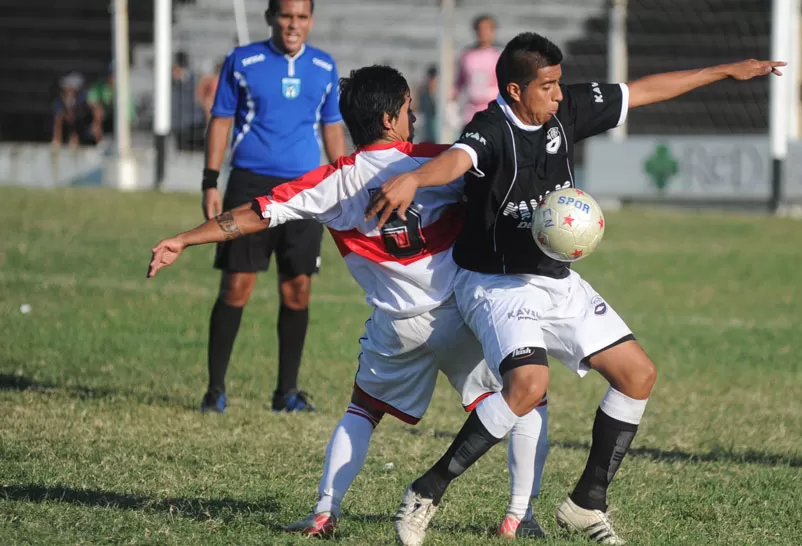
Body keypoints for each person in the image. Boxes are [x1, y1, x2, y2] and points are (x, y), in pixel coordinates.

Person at [366, 32, 784, 545]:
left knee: (638, 375)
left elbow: (645, 90)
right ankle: (427, 491)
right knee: (528, 387)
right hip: (497, 285)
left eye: (560, 83)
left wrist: (724, 70)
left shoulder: (565, 109)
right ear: (516, 90)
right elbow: (455, 160)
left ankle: (587, 503)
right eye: (548, 86)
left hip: (556, 279)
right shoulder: (490, 128)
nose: (559, 94)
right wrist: (416, 180)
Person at [147, 65, 548, 539]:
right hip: (461, 312)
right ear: (387, 118)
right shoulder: (437, 163)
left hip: (395, 325)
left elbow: (253, 214)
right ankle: (517, 515)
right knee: (528, 395)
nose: (413, 115)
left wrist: (184, 239)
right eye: (407, 107)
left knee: (363, 410)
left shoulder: (331, 182)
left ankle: (324, 510)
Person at [200, 0, 347, 413]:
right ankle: (215, 392)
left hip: (305, 190)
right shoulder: (242, 61)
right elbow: (222, 120)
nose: (293, 25)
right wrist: (211, 181)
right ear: (270, 18)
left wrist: (340, 179)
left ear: (311, 20)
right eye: (285, 16)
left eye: (301, 17)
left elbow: (331, 126)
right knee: (236, 286)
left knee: (297, 290)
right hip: (249, 184)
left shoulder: (324, 67)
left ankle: (286, 394)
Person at [455, 14, 501, 126]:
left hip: (493, 111)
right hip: (470, 113)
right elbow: (459, 83)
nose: (484, 33)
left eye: (487, 29)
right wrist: (452, 104)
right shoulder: (467, 55)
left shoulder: (499, 56)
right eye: (480, 29)